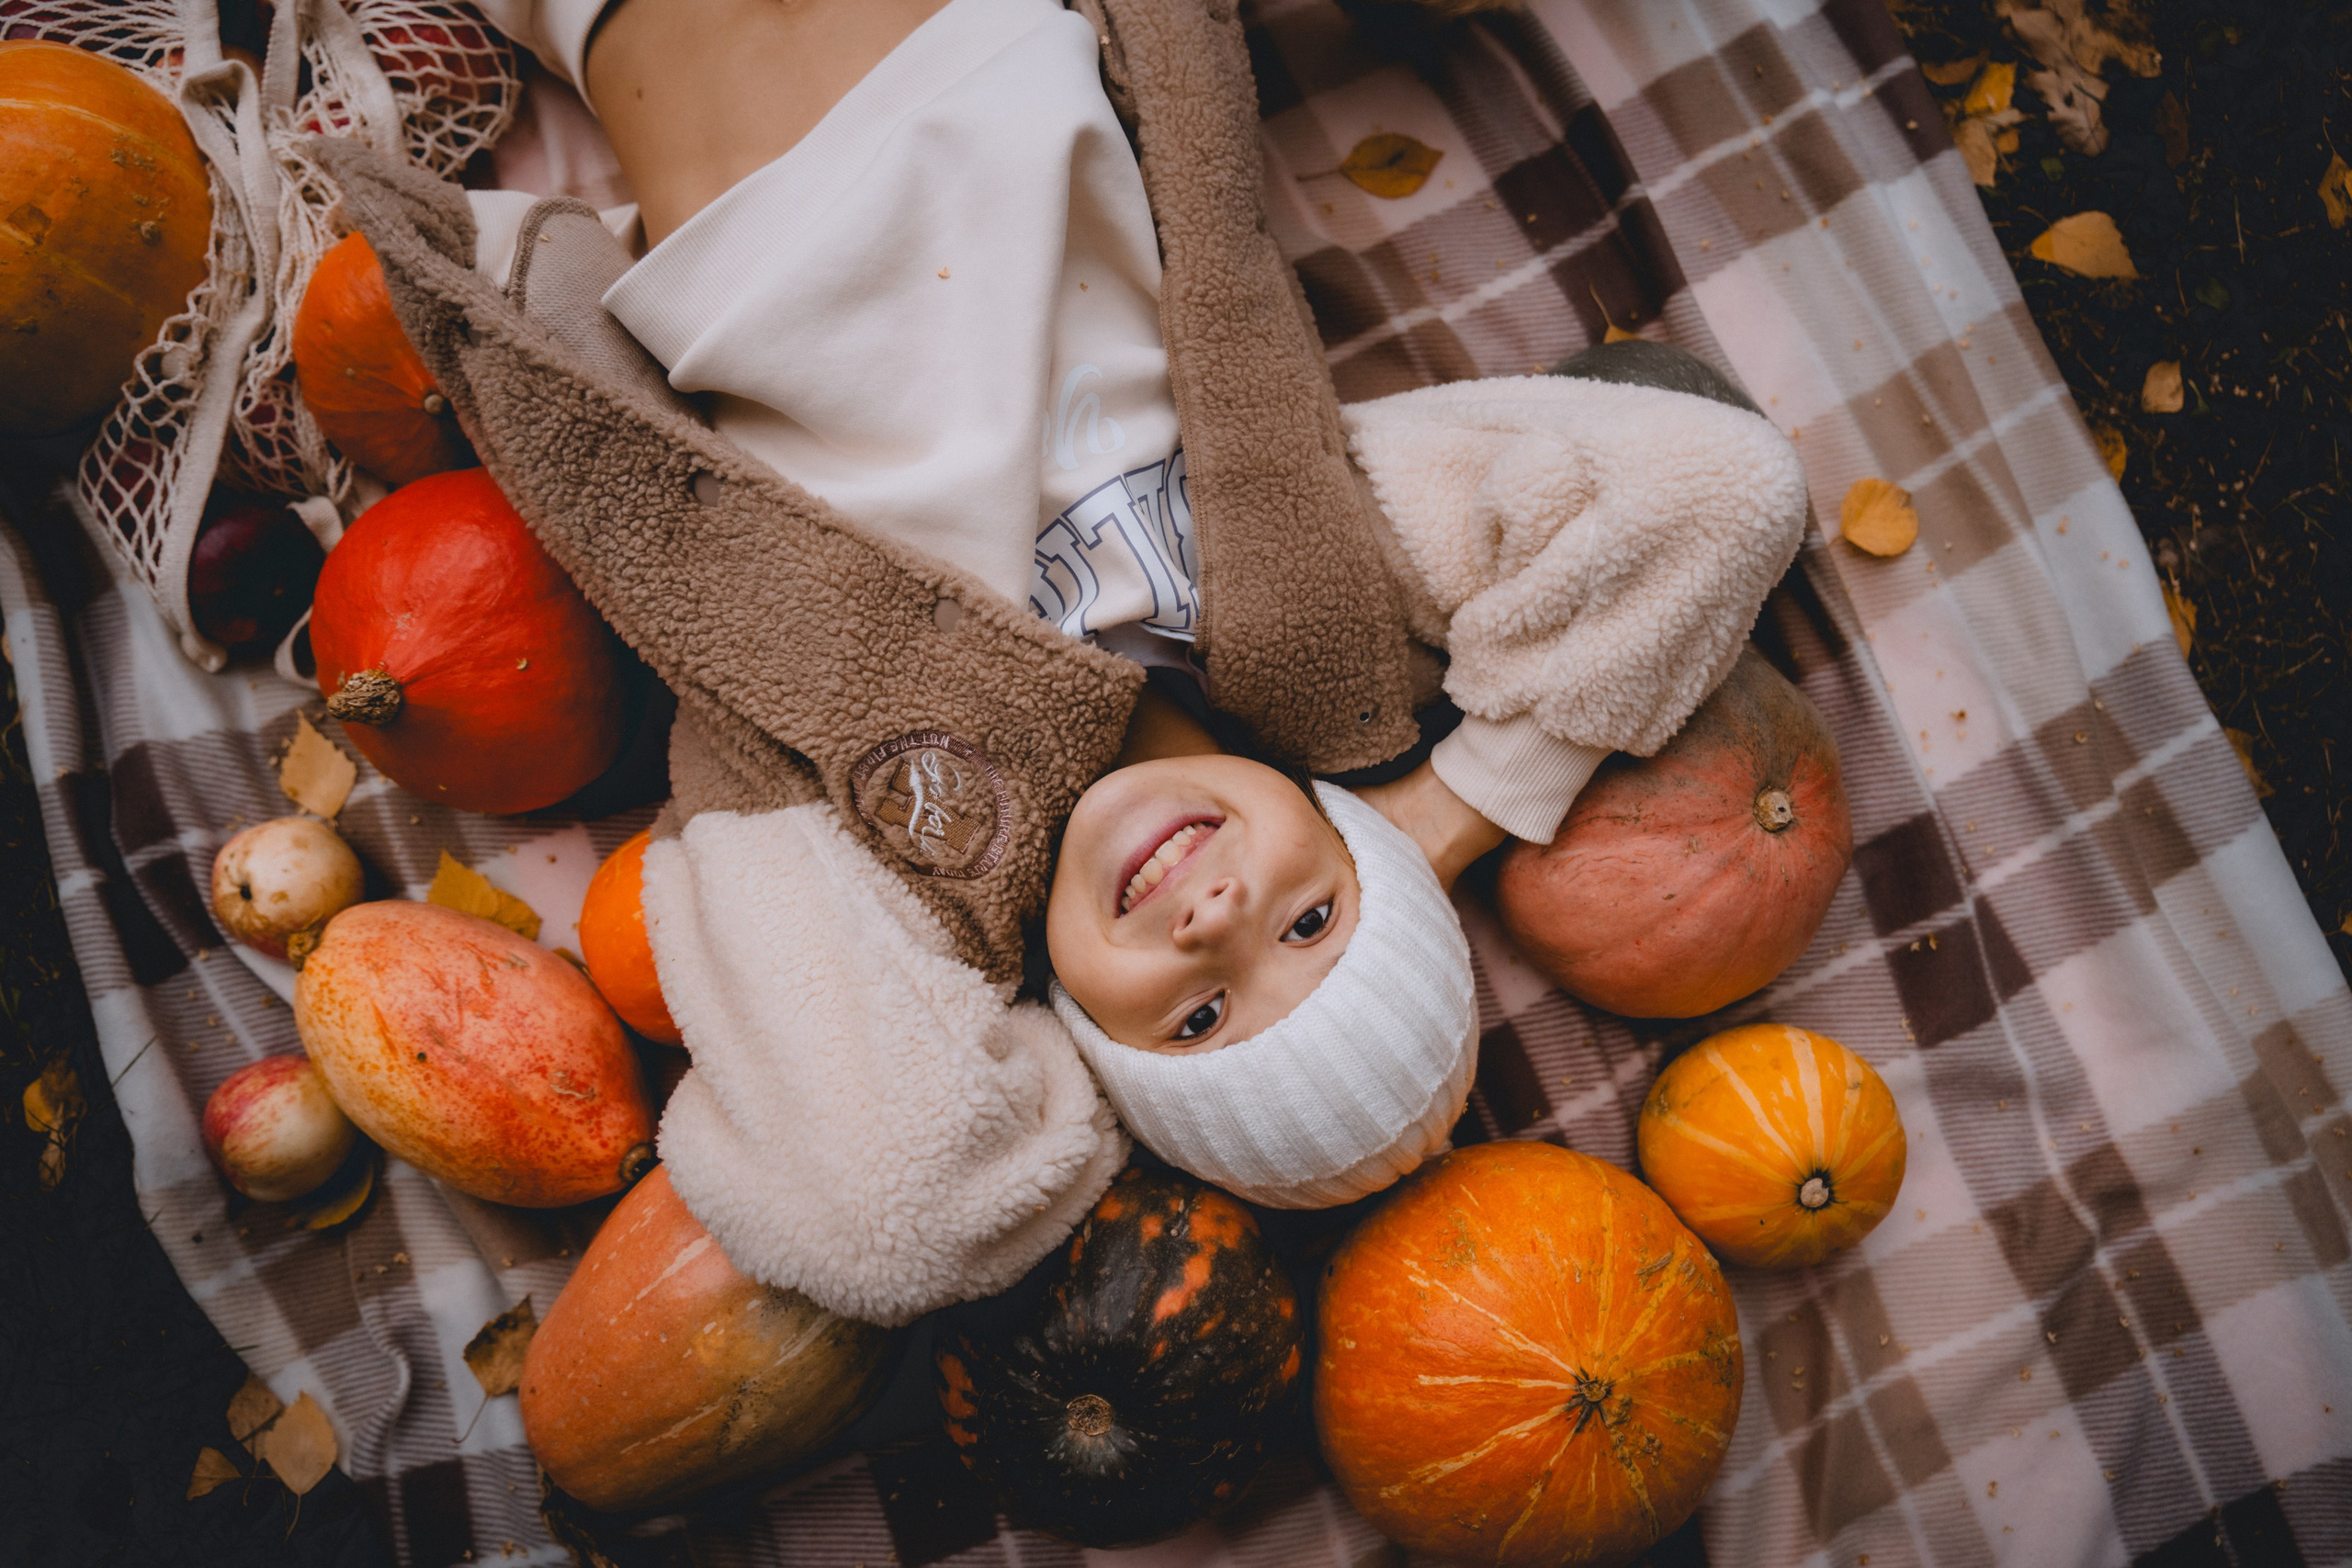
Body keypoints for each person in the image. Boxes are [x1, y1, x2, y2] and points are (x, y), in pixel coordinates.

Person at [336, 0, 1808, 1325]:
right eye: (1310, 930)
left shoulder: (893, 844)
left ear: (1097, 1039)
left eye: (1201, 1017)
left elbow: (877, 1218)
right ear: (1366, 848)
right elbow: (1715, 490)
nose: (1218, 916)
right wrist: (1466, 802)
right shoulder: (1334, 604)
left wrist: (1071, 1091)